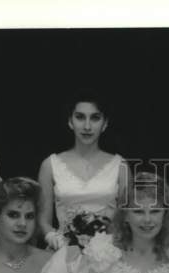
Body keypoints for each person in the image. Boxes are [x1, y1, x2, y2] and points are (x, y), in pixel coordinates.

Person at [38, 91, 125, 252]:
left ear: (105, 123)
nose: (87, 126)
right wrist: (55, 239)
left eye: (95, 118)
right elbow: (43, 220)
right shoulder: (50, 165)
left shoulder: (120, 166)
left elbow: (126, 219)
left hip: (108, 254)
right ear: (70, 121)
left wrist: (108, 246)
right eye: (80, 117)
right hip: (63, 253)